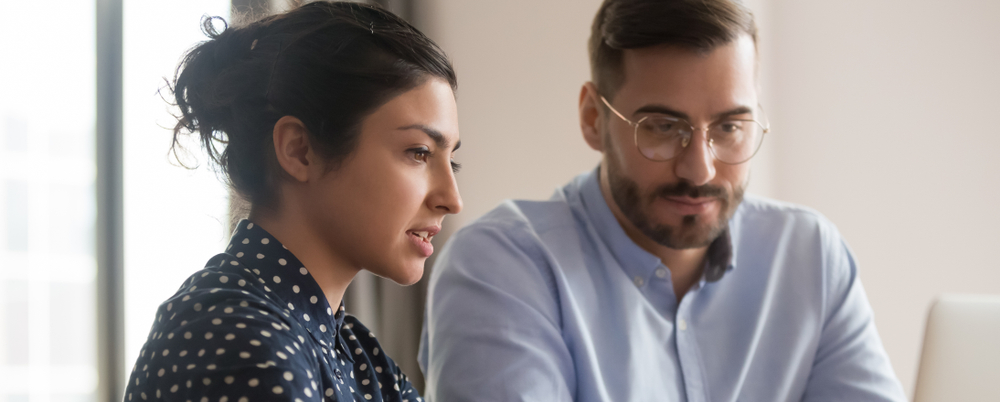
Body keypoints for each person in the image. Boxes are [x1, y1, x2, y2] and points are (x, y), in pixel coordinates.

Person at [419, 0, 906, 401]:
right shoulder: (501, 269)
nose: (700, 169)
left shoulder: (808, 256)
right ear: (593, 118)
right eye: (663, 127)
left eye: (730, 127)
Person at [125, 2, 460, 401]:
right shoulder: (238, 341)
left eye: (452, 160)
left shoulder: (356, 352)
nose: (451, 199)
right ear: (299, 151)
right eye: (419, 152)